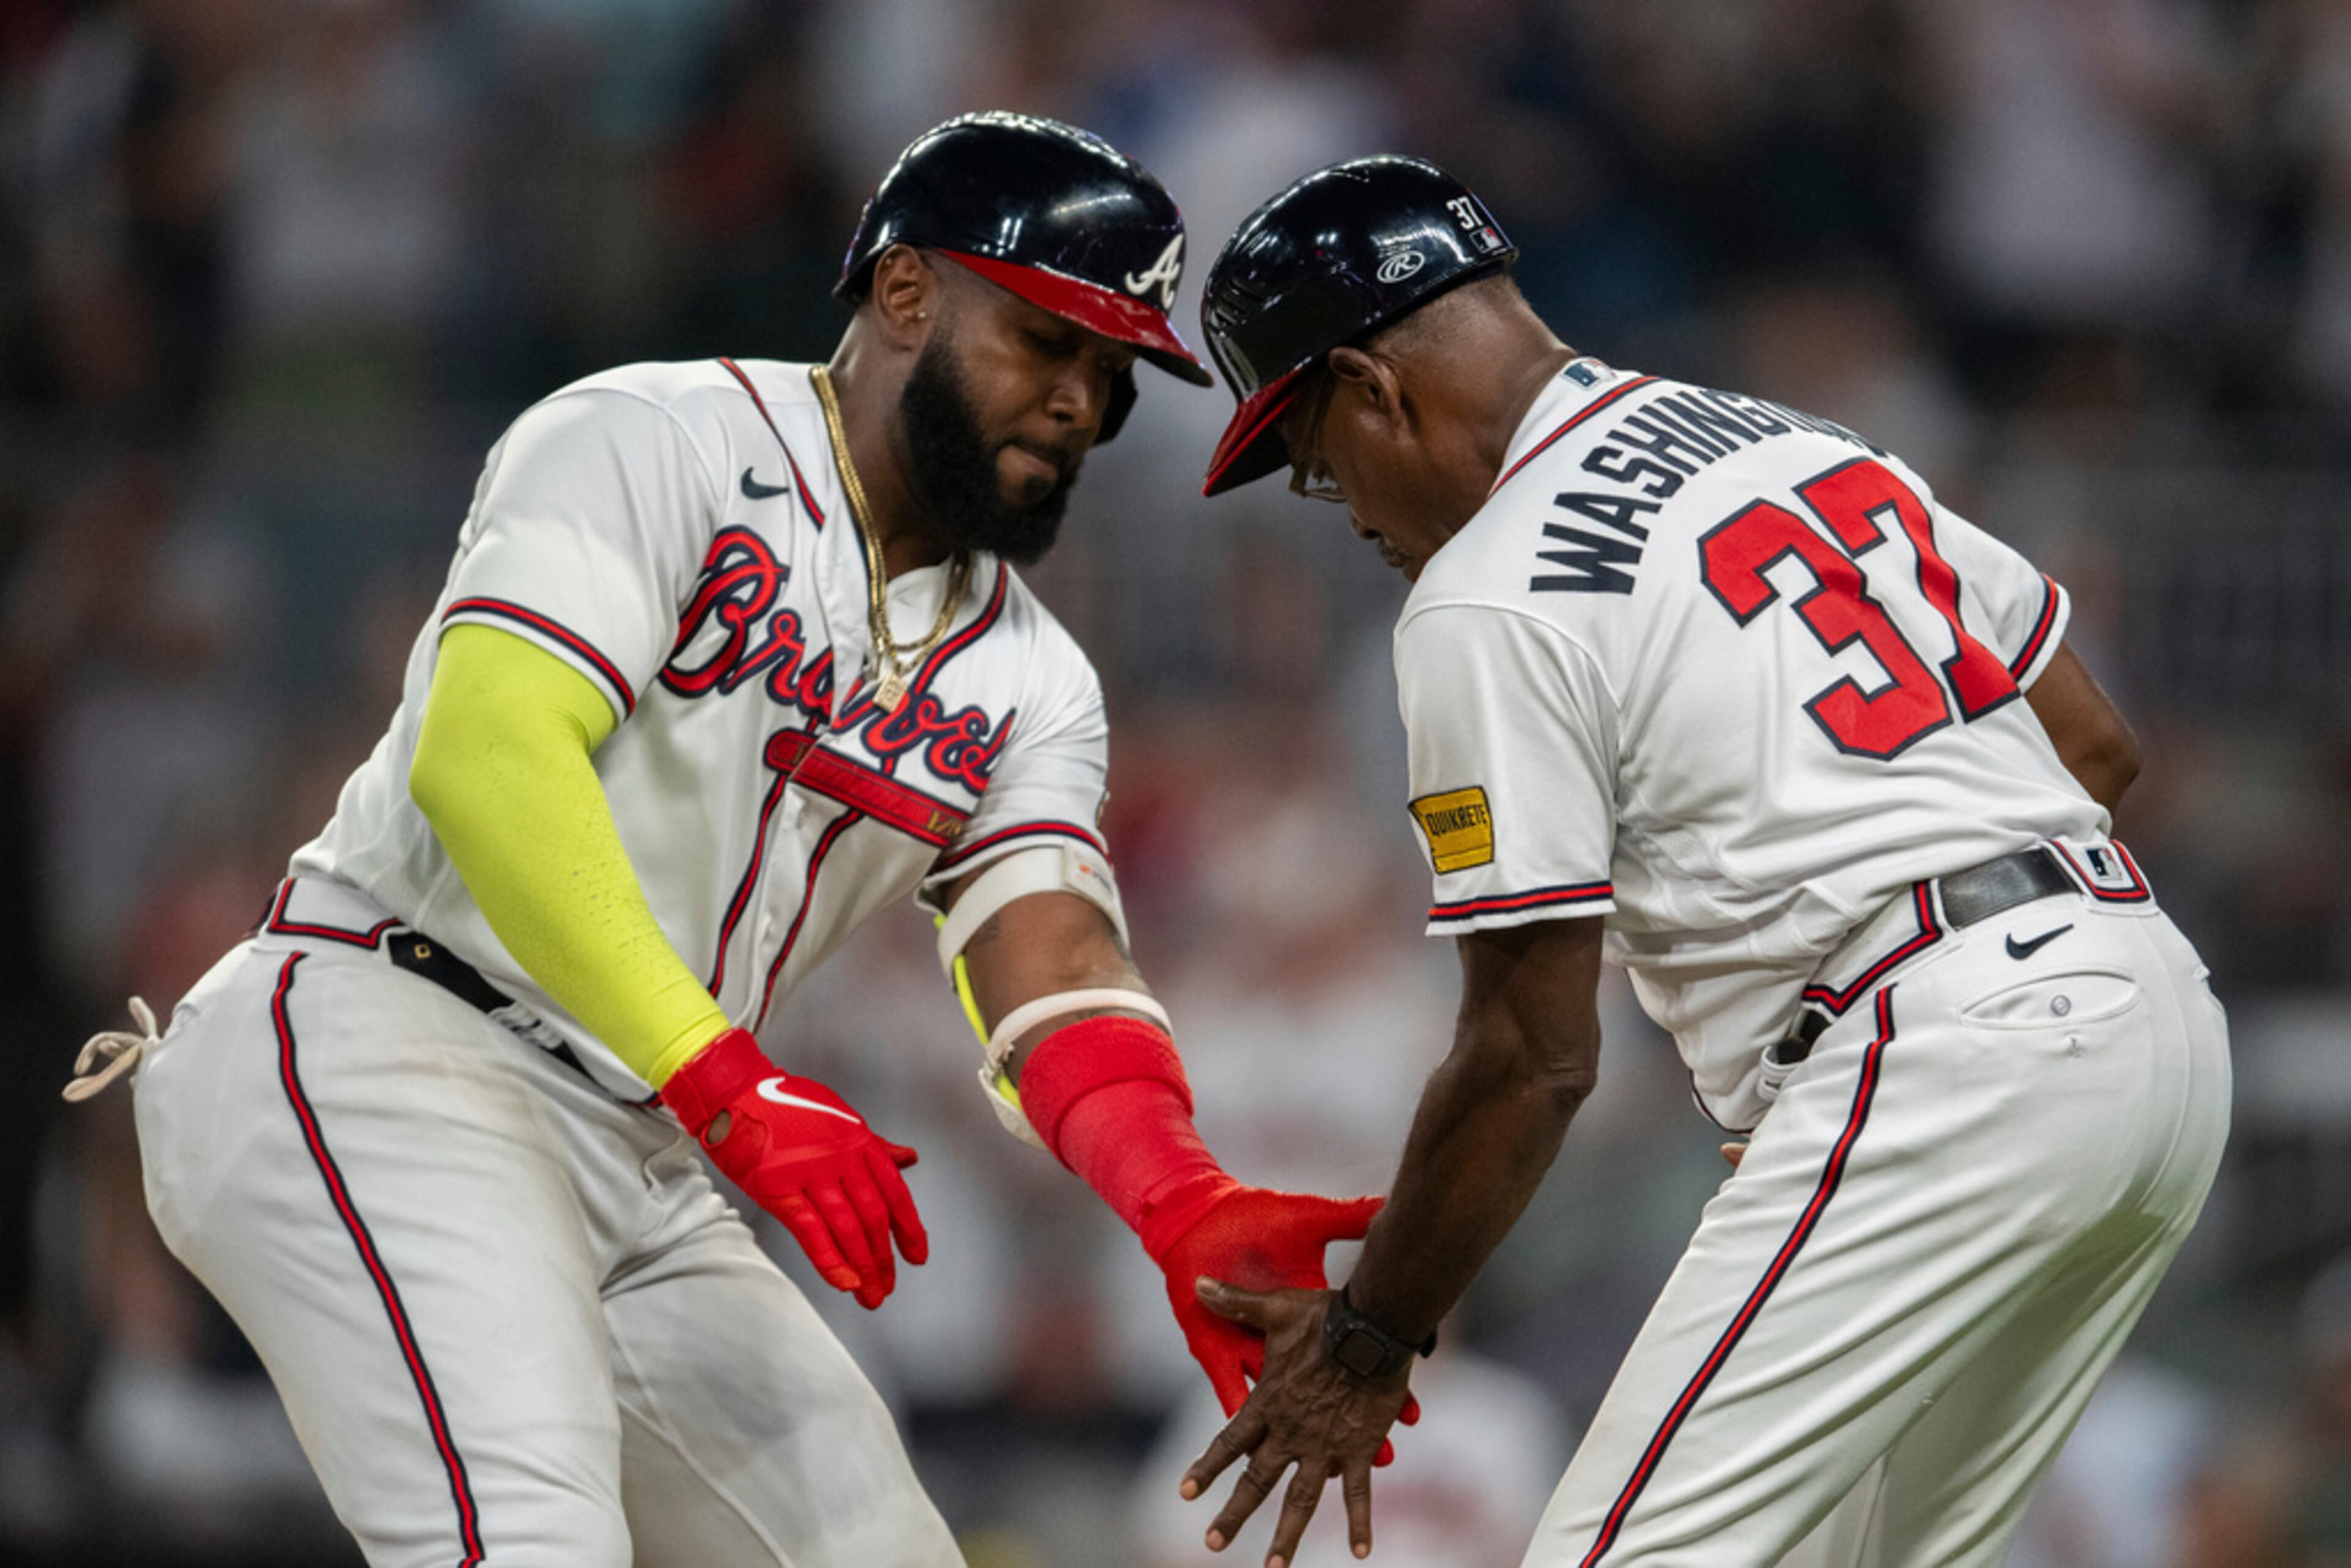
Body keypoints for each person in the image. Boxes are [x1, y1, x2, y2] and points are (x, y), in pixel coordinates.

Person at [62, 113, 1391, 1568]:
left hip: (645, 1146)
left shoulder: (1032, 678)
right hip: (389, 1039)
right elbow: (489, 755)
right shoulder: (656, 437)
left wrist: (1178, 1194)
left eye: (1111, 369)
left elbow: (1049, 958)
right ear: (906, 296)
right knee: (523, 1539)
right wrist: (721, 1076)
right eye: (1044, 340)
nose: (1080, 399)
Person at [1180, 156, 2232, 1568]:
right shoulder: (1791, 439)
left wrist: (1366, 1342)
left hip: (1944, 1052)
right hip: (2149, 1015)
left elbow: (1530, 1056)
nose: (1348, 510)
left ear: (1374, 386)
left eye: (1315, 461)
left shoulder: (1484, 593)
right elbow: (2096, 748)